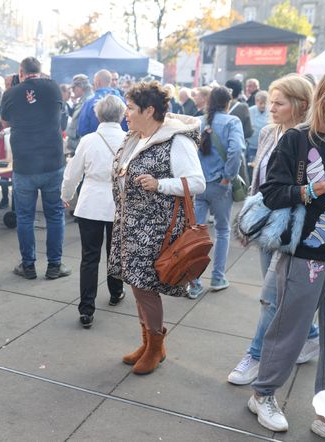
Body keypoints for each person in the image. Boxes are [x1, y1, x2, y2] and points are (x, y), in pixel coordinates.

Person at [246, 65, 325, 439]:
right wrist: (319, 188)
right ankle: (263, 393)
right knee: (291, 327)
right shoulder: (299, 139)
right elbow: (272, 193)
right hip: (307, 251)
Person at [108, 81, 205, 375]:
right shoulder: (135, 137)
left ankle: (154, 346)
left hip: (155, 231)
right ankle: (150, 342)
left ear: (149, 110)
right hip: (129, 228)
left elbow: (198, 182)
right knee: (137, 286)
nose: (126, 113)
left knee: (145, 288)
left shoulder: (177, 141)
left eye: (131, 108)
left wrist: (160, 184)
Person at [227, 74, 318, 386]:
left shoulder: (312, 139)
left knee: (269, 297)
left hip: (292, 229)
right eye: (270, 102)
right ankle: (311, 335)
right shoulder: (269, 132)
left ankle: (255, 356)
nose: (270, 107)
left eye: (279, 103)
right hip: (266, 224)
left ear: (301, 105)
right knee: (279, 293)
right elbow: (258, 183)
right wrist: (249, 225)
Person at [0, 56, 71, 280]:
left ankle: (28, 266)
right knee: (54, 214)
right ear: (40, 71)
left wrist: (15, 88)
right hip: (52, 162)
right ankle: (54, 266)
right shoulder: (53, 88)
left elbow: (4, 122)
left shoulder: (11, 93)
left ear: (21, 72)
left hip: (24, 165)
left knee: (24, 217)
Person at [61, 95, 127, 328]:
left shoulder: (88, 140)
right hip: (118, 203)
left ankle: (86, 308)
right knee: (115, 251)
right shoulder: (129, 140)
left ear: (98, 115)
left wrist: (66, 195)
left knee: (89, 257)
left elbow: (73, 172)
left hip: (90, 202)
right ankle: (115, 291)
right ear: (121, 115)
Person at [188, 86, 244, 299]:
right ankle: (218, 277)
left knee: (196, 234)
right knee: (222, 231)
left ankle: (194, 282)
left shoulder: (199, 121)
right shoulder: (232, 122)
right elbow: (236, 150)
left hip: (199, 183)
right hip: (220, 184)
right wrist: (228, 176)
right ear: (228, 103)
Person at [0, 74, 15, 209]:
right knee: (3, 172)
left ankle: (15, 203)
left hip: (14, 140)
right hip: (1, 142)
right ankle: (5, 198)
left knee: (15, 173)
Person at [77, 69, 126, 136]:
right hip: (121, 143)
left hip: (95, 144)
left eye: (94, 81)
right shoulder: (123, 101)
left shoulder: (89, 103)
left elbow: (82, 130)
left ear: (98, 82)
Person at [65, 74, 92, 155]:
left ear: (81, 87)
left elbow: (84, 130)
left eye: (74, 88)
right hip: (76, 147)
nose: (72, 91)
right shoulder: (83, 101)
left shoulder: (87, 102)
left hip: (79, 149)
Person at [246, 91, 269, 177]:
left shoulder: (271, 111)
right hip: (253, 146)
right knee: (252, 170)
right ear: (256, 102)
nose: (263, 105)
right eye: (260, 103)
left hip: (266, 147)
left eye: (265, 103)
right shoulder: (250, 111)